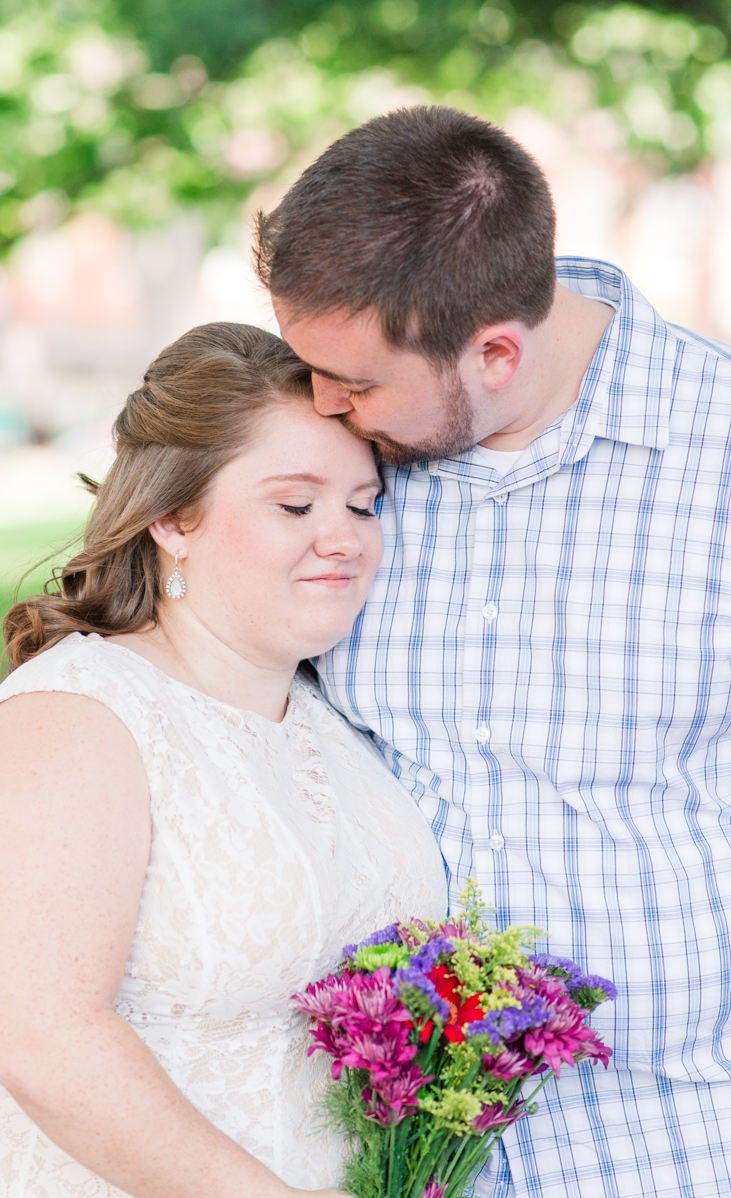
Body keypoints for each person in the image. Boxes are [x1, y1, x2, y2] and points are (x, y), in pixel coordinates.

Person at [256, 106, 731, 1197]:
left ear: (495, 351)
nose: (321, 402)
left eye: (353, 381)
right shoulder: (333, 476)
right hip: (416, 1150)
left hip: (713, 1138)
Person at [0, 321, 446, 1198]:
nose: (344, 538)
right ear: (173, 517)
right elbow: (39, 1035)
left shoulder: (335, 722)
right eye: (295, 504)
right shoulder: (78, 718)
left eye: (364, 505)